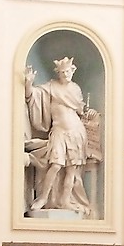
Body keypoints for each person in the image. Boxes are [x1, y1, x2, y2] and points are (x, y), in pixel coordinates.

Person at [24, 56, 100, 216]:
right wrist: (29, 83)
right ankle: (43, 198)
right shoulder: (51, 87)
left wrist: (92, 115)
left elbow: (82, 112)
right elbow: (33, 96)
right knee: (56, 165)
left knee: (72, 170)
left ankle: (65, 200)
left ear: (73, 71)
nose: (66, 75)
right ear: (58, 72)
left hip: (77, 133)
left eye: (68, 72)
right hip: (59, 131)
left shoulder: (76, 89)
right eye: (63, 72)